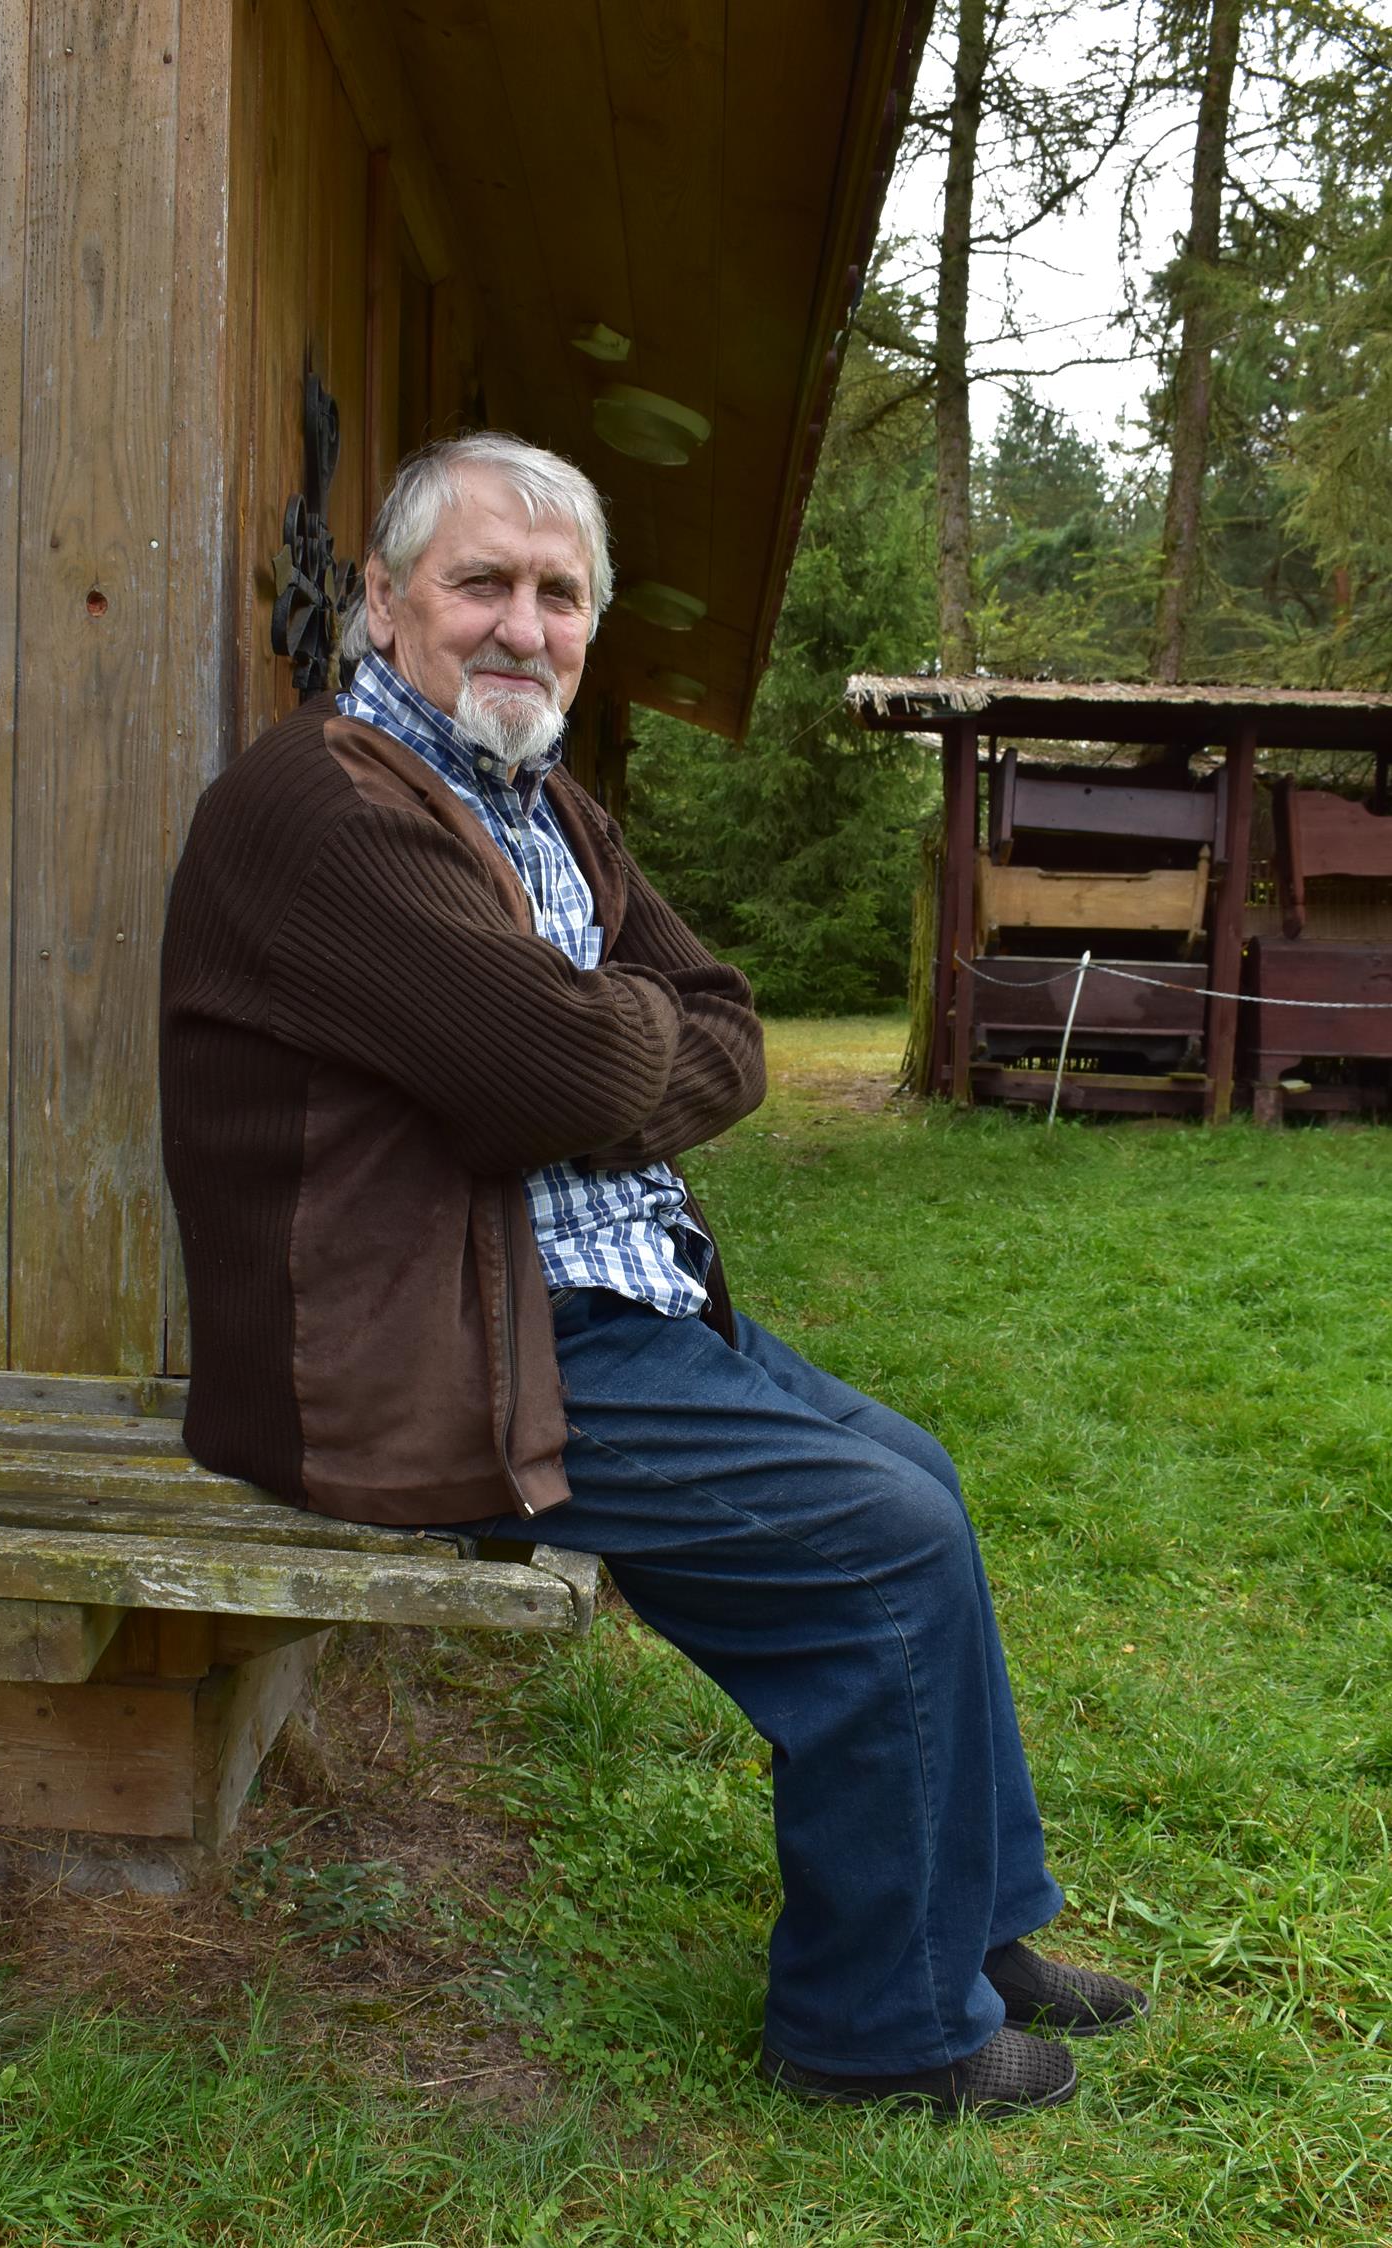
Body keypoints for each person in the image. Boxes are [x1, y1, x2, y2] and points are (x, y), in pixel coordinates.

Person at [160, 431, 1148, 2117]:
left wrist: (591, 1046)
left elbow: (728, 1027)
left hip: (606, 1312)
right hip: (427, 1355)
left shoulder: (542, 802)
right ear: (386, 602)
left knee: (917, 1476)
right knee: (882, 1545)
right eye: (480, 582)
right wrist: (597, 1048)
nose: (521, 626)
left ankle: (964, 1934)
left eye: (558, 594)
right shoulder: (325, 808)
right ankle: (874, 2035)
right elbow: (569, 1077)